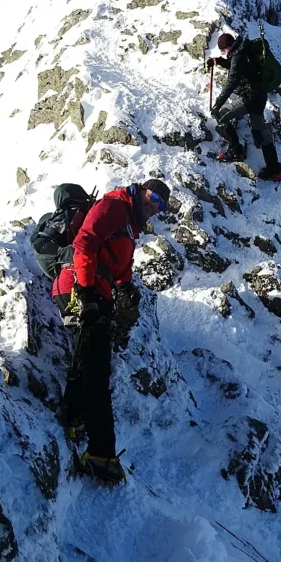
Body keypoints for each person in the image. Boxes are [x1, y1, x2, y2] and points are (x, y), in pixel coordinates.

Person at [51, 178, 172, 484]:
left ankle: (74, 419)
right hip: (82, 287)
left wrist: (125, 284)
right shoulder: (115, 207)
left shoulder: (130, 225)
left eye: (161, 204)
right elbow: (85, 242)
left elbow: (117, 263)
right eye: (154, 196)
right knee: (96, 366)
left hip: (94, 291)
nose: (155, 205)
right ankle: (100, 453)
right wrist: (88, 292)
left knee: (91, 360)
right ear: (142, 189)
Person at [207, 32, 281, 179]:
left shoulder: (238, 55)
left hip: (250, 98)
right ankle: (274, 170)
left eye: (222, 51)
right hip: (259, 96)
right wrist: (218, 61)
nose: (223, 53)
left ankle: (236, 150)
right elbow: (237, 66)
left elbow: (232, 80)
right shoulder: (244, 50)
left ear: (227, 47)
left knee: (221, 116)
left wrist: (218, 104)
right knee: (260, 133)